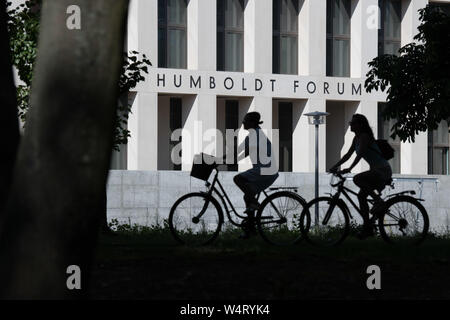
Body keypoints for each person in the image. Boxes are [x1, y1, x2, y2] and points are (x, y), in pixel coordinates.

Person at [329, 114, 392, 239]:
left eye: (353, 123)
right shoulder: (356, 138)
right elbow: (348, 154)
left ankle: (379, 201)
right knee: (361, 196)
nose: (350, 125)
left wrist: (350, 169)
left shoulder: (364, 137)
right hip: (376, 171)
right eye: (350, 123)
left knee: (357, 178)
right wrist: (335, 166)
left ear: (360, 125)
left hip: (382, 170)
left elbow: (360, 154)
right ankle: (367, 227)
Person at [222, 112, 279, 238]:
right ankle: (251, 231)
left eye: (245, 120)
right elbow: (238, 150)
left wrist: (230, 161)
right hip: (263, 170)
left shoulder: (257, 135)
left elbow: (245, 153)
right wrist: (220, 158)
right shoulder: (252, 135)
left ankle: (254, 203)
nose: (243, 123)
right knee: (248, 197)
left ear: (252, 123)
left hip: (265, 170)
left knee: (238, 178)